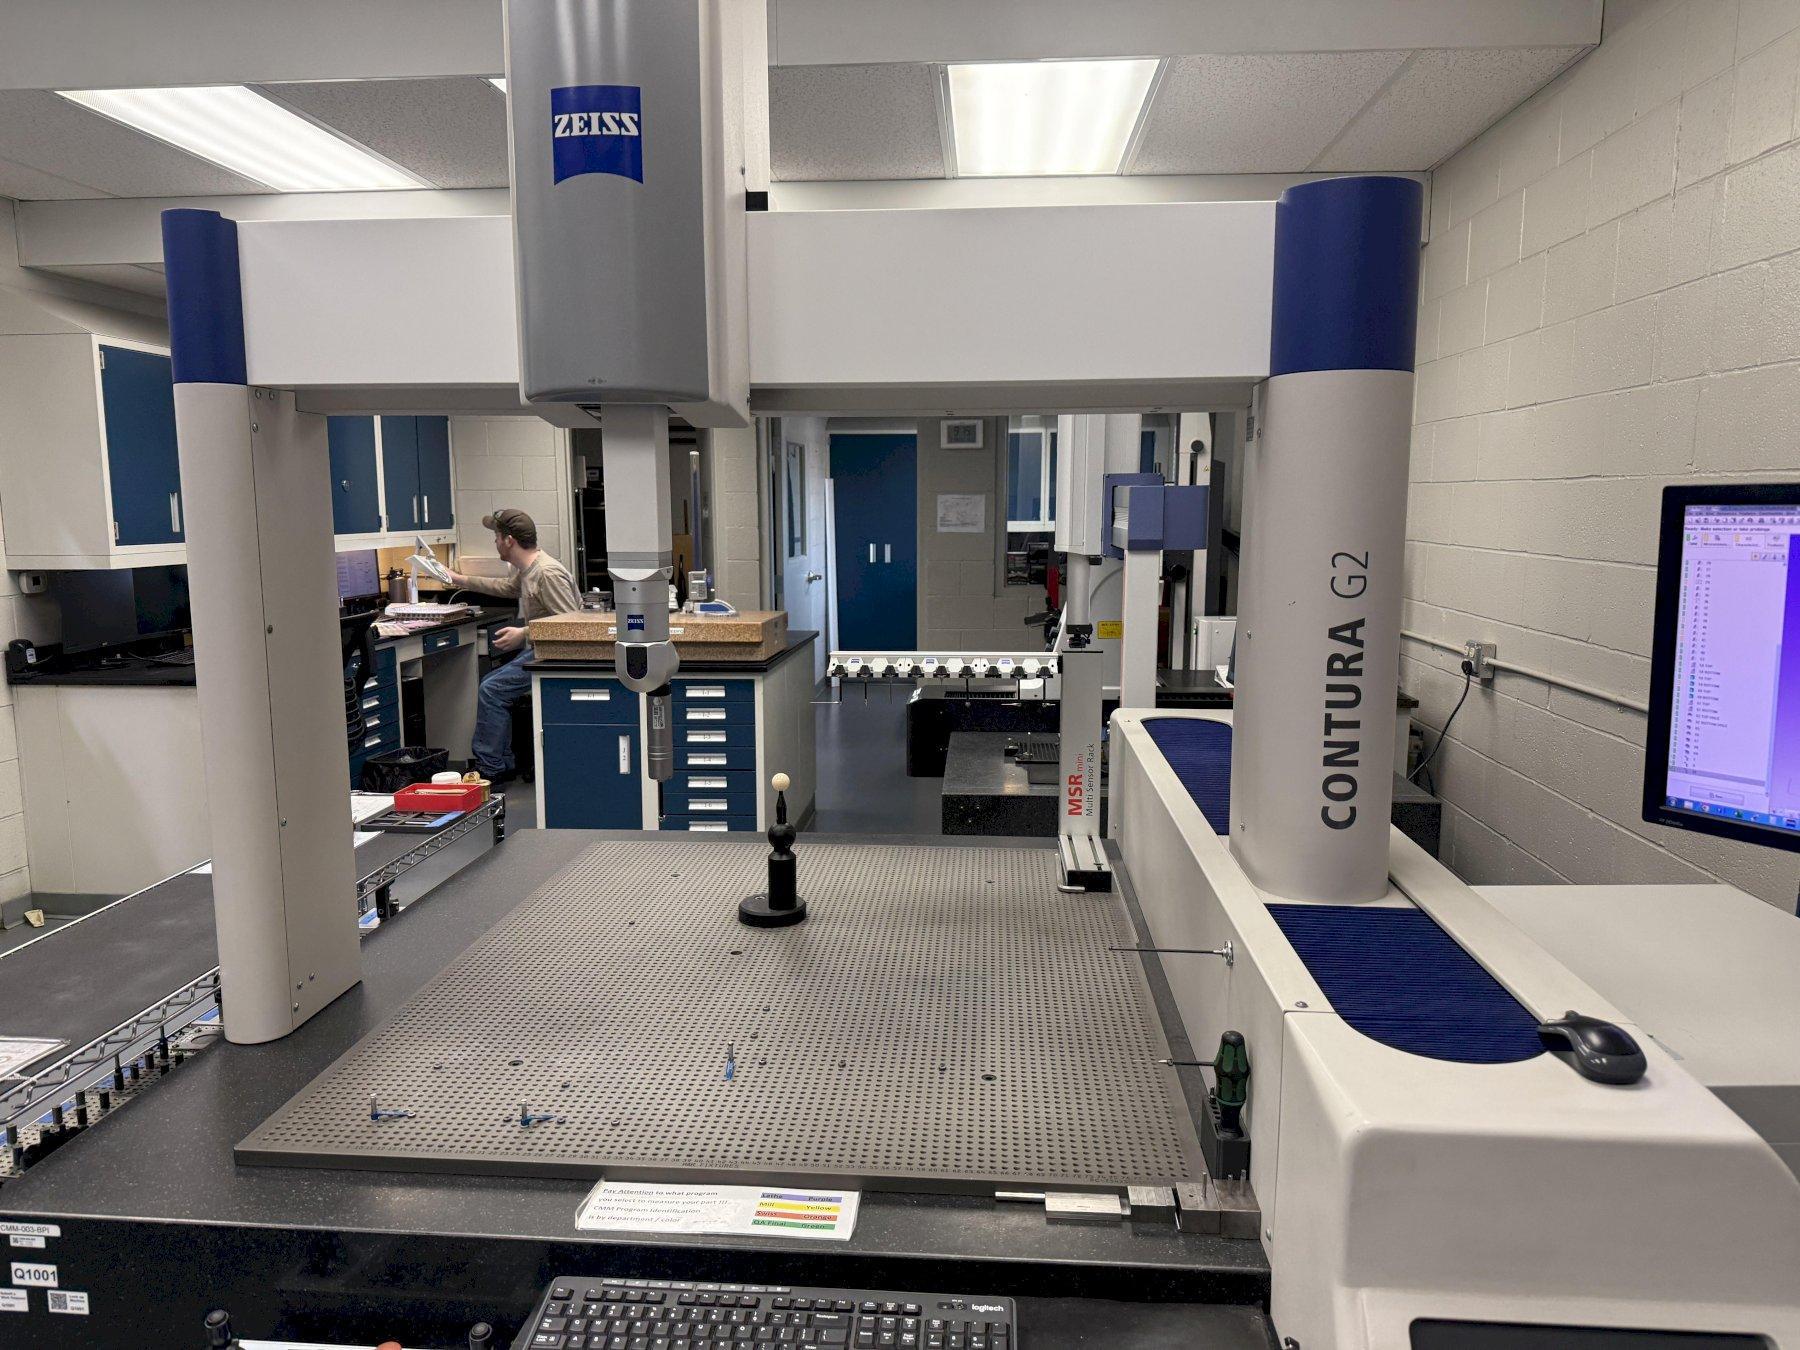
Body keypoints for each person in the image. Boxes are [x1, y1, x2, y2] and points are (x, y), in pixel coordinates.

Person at [448, 508, 582, 783]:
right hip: (542, 649)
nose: (495, 542)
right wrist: (458, 579)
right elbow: (506, 588)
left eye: (497, 537)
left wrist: (523, 633)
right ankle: (501, 762)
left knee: (492, 689)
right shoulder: (529, 569)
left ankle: (491, 768)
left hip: (555, 655)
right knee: (492, 685)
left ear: (509, 540)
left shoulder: (546, 573)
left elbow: (570, 623)